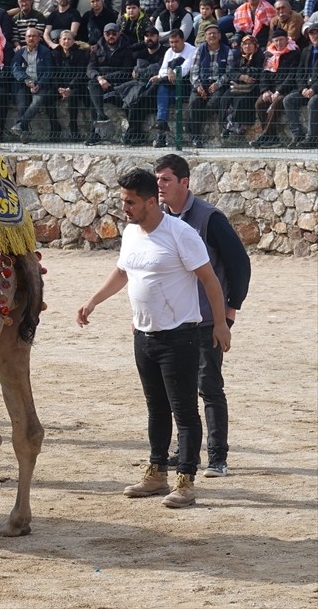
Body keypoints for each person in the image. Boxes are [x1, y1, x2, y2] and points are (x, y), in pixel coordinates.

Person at [77, 169, 231, 510]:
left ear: (150, 201)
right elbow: (122, 271)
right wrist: (93, 301)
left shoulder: (181, 233)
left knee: (185, 412)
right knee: (156, 408)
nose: (125, 208)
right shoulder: (131, 233)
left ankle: (186, 481)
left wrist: (220, 323)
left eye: (130, 202)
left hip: (181, 337)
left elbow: (209, 280)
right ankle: (157, 472)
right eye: (122, 201)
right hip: (143, 335)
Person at [153, 155, 251, 479]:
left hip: (208, 319)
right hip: (174, 323)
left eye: (166, 180)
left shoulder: (210, 218)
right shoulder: (159, 220)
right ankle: (185, 455)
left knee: (209, 386)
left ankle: (217, 458)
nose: (160, 186)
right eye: (157, 180)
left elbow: (239, 264)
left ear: (185, 182)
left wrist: (230, 310)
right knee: (179, 391)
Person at [283, 22, 318, 149]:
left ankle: (312, 138)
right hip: (306, 89)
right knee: (289, 100)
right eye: (311, 33)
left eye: (316, 32)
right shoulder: (306, 51)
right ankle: (298, 135)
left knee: (314, 101)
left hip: (315, 91)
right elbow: (299, 72)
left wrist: (314, 89)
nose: (314, 35)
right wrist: (303, 88)